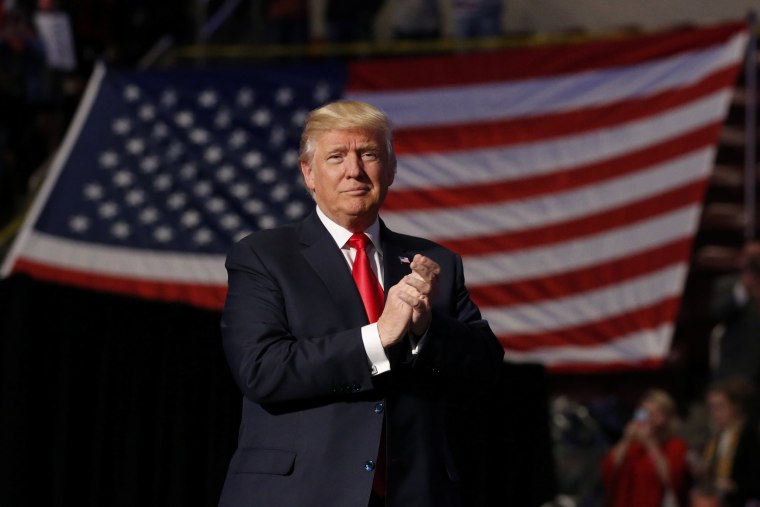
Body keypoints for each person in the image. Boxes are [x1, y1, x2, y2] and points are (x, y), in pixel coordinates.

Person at [218, 100, 504, 507]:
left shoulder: (435, 263)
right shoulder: (263, 256)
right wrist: (378, 337)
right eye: (336, 157)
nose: (354, 170)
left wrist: (426, 332)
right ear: (308, 173)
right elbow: (261, 370)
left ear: (390, 170)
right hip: (298, 493)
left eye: (368, 154)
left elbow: (486, 370)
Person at [601, 390, 689, 507]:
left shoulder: (675, 445)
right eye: (645, 413)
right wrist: (626, 440)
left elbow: (671, 478)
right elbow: (609, 468)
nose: (649, 419)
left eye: (654, 414)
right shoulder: (633, 446)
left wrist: (650, 444)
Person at [690, 378, 760, 507]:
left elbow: (755, 476)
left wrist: (735, 485)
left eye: (720, 406)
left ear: (736, 406)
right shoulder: (715, 436)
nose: (715, 413)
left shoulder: (750, 433)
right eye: (711, 407)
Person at [709, 241, 760, 384]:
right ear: (741, 259)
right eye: (751, 257)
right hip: (737, 366)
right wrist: (743, 291)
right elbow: (718, 315)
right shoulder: (727, 285)